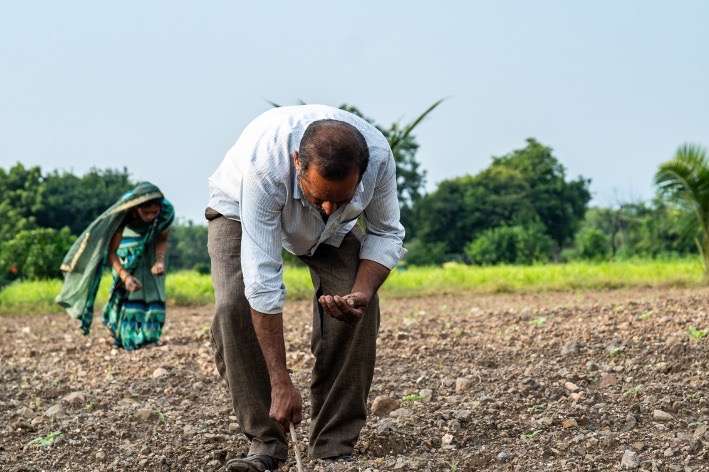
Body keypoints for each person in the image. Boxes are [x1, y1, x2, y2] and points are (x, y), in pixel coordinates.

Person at [206, 104, 407, 471]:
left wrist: (360, 293)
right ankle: (265, 443)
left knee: (358, 305)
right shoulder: (264, 169)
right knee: (234, 307)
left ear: (361, 173)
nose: (329, 208)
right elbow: (263, 280)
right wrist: (280, 380)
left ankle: (333, 445)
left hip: (334, 237)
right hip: (238, 209)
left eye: (341, 199)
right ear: (297, 162)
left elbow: (385, 232)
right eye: (319, 197)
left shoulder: (378, 159)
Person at [56, 181, 175, 350]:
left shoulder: (166, 212)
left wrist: (159, 260)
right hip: (126, 247)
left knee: (153, 287)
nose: (150, 216)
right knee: (123, 290)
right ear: (136, 209)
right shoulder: (124, 211)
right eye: (146, 212)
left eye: (153, 212)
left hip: (152, 248)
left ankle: (149, 337)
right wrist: (125, 276)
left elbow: (162, 239)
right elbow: (112, 252)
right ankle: (120, 335)